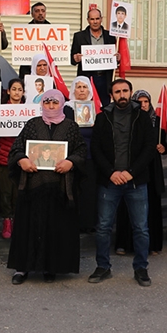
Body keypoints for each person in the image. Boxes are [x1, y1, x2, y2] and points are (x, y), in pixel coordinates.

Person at [8, 89, 86, 284]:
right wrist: (22, 160)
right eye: (47, 103)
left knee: (55, 228)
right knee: (28, 227)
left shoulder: (71, 127)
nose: (51, 107)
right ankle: (22, 268)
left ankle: (51, 267)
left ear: (61, 104)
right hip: (32, 188)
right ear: (42, 104)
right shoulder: (32, 124)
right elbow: (16, 148)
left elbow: (81, 150)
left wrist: (71, 162)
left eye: (55, 103)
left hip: (59, 188)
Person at [89, 79, 156, 287]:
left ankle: (141, 268)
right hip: (109, 181)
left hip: (135, 181)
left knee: (141, 228)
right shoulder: (102, 118)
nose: (122, 95)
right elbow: (96, 149)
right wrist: (111, 173)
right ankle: (103, 266)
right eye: (117, 92)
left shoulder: (142, 117)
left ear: (131, 92)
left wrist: (131, 173)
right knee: (103, 227)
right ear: (112, 95)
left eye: (125, 91)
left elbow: (149, 147)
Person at [115, 89, 167, 256]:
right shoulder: (129, 119)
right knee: (127, 205)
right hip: (132, 168)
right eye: (140, 102)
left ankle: (152, 245)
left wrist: (163, 148)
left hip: (152, 169)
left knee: (151, 206)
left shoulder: (157, 122)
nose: (143, 105)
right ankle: (124, 243)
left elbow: (166, 143)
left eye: (146, 102)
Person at [0, 78, 25, 239]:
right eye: (14, 89)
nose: (17, 92)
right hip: (4, 156)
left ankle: (18, 220)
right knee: (5, 191)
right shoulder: (0, 110)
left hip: (22, 158)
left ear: (23, 92)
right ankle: (7, 220)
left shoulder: (29, 110)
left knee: (19, 191)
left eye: (20, 89)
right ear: (8, 91)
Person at [63, 76, 99, 232]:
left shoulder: (96, 108)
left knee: (89, 192)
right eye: (78, 87)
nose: (82, 90)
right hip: (72, 157)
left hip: (91, 156)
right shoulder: (67, 108)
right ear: (73, 90)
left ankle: (88, 223)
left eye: (85, 87)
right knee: (73, 190)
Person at [71, 8, 117, 107]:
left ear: (101, 19)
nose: (95, 22)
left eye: (97, 19)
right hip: (87, 78)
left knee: (105, 106)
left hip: (105, 79)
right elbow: (72, 59)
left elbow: (114, 60)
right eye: (92, 19)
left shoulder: (110, 37)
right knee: (86, 106)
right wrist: (76, 58)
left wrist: (118, 58)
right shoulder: (79, 36)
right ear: (88, 20)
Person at [18, 2, 50, 77]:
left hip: (47, 70)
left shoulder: (53, 30)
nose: (40, 13)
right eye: (37, 11)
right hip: (27, 69)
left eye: (43, 11)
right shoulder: (25, 30)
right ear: (32, 14)